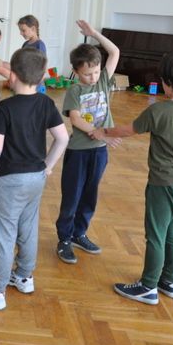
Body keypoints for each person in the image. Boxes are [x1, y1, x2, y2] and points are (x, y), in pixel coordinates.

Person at [93, 53, 173, 305]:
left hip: (163, 183)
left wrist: (104, 131)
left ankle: (148, 286)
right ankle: (170, 281)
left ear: (168, 83)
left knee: (156, 234)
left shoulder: (158, 110)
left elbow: (128, 130)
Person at [0, 48, 68, 310]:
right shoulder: (46, 103)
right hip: (36, 178)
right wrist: (47, 166)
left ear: (12, 75)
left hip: (9, 181)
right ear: (41, 76)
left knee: (4, 235)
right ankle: (24, 277)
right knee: (28, 228)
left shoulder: (4, 109)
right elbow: (62, 139)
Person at [55, 20, 121, 264]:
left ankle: (79, 233)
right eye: (87, 73)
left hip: (100, 152)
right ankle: (64, 238)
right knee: (72, 196)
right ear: (76, 71)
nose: (93, 77)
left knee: (90, 195)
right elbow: (75, 118)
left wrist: (94, 34)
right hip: (79, 152)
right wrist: (97, 132)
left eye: (95, 71)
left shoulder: (103, 80)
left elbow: (115, 52)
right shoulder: (75, 90)